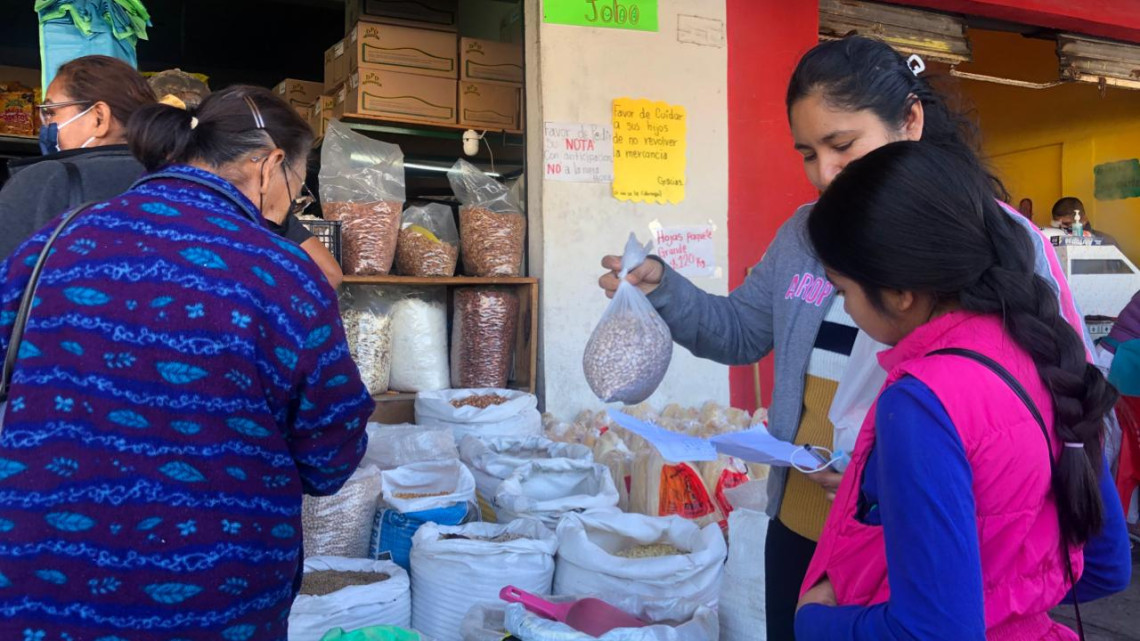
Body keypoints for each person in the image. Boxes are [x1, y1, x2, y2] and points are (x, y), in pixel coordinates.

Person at [598, 36, 1099, 640]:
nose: (825, 172)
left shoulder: (992, 238)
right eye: (808, 153)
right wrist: (663, 290)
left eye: (842, 145)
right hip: (803, 522)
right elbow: (739, 331)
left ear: (909, 120)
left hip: (920, 536)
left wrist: (880, 471)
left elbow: (1054, 397)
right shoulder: (804, 235)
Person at [0, 86, 374, 640]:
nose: (292, 200)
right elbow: (329, 456)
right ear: (270, 165)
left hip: (42, 577)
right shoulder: (284, 275)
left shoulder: (52, 243)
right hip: (212, 593)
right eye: (298, 181)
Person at [795, 141, 1130, 639]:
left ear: (900, 292)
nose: (846, 310)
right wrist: (996, 600)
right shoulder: (1047, 351)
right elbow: (1104, 566)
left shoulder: (920, 404)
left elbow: (936, 632)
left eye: (843, 291)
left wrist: (815, 623)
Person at [0, 55, 155, 260]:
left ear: (99, 117)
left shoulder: (45, 181)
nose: (45, 125)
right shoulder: (179, 182)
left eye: (51, 112)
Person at [1050, 196, 1118, 245]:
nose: (1062, 228)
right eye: (1057, 225)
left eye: (1067, 224)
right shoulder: (1051, 242)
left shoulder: (1106, 242)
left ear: (1084, 219)